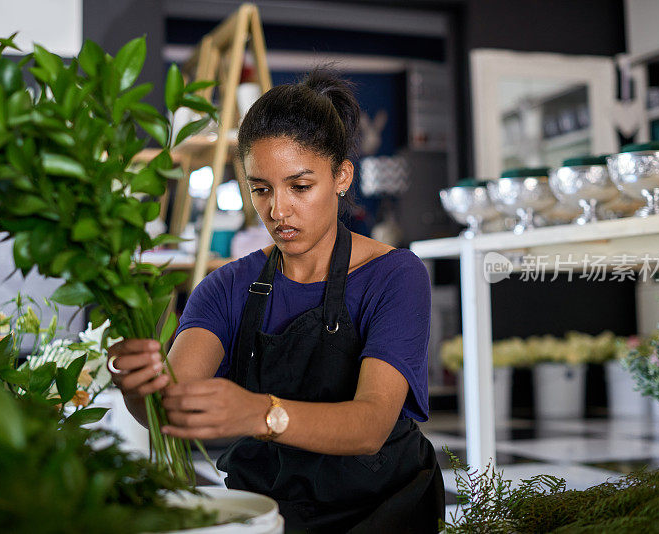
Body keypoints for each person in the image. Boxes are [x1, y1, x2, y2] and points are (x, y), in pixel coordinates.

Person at [107, 69, 445, 533]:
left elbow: (370, 427)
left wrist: (259, 413)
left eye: (300, 186)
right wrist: (136, 386)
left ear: (342, 175)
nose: (277, 211)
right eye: (260, 189)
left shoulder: (394, 276)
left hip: (383, 510)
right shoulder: (224, 288)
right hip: (271, 514)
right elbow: (170, 411)